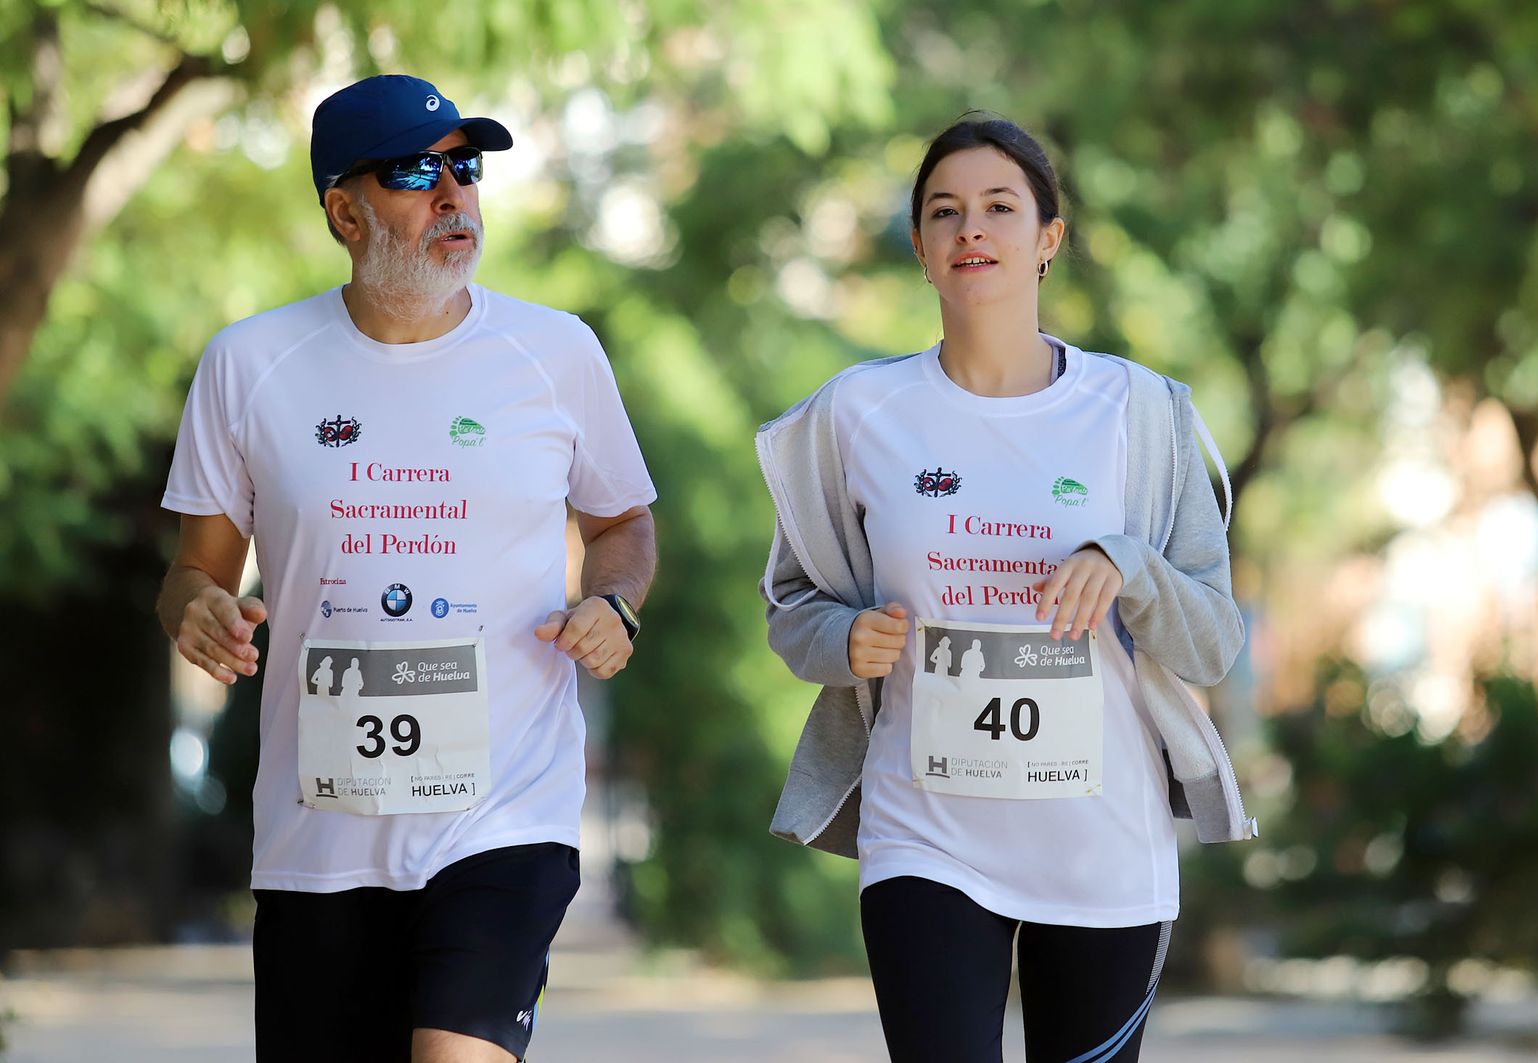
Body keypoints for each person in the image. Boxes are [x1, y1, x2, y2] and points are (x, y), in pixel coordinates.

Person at [156, 74, 657, 1063]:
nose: (453, 194)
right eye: (414, 172)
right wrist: (198, 609)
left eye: (465, 168)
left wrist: (615, 600)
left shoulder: (553, 353)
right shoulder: (249, 363)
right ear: (343, 211)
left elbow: (622, 522)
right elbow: (192, 570)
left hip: (504, 812)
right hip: (320, 838)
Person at [758, 117, 1255, 1063]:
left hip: (1103, 847)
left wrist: (1131, 566)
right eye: (944, 212)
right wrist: (844, 635)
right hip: (926, 835)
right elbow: (793, 608)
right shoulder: (856, 415)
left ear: (1049, 240)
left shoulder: (1141, 414)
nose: (970, 229)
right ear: (920, 249)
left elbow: (1213, 642)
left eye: (998, 208)